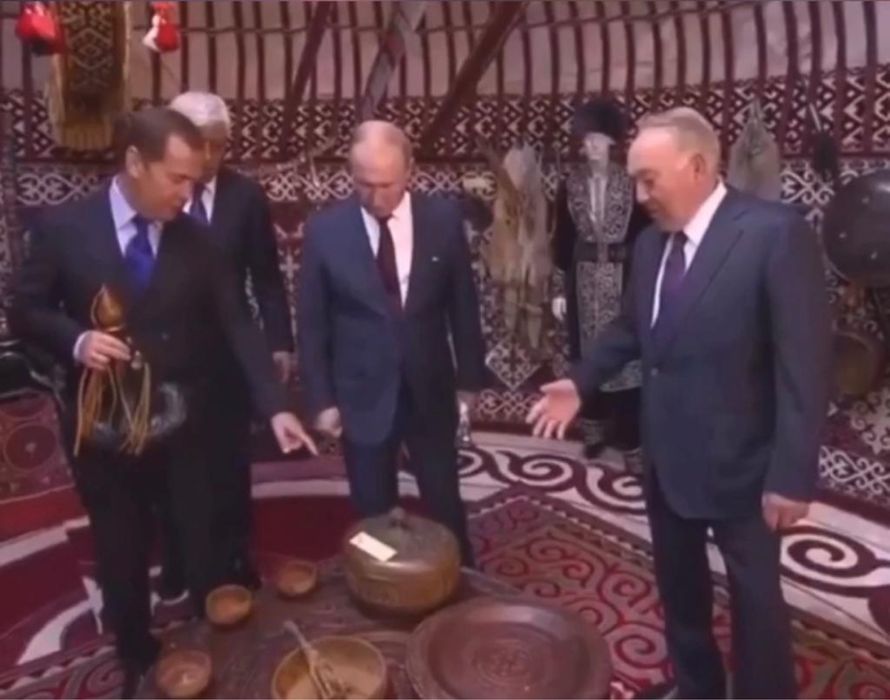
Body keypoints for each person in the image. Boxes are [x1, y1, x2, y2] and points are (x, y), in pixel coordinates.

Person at [9, 107, 316, 697]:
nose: (187, 194)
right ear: (134, 163)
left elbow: (238, 322)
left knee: (204, 546)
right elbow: (24, 309)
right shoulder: (65, 228)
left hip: (184, 428)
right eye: (176, 178)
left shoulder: (199, 241)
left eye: (195, 181)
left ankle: (215, 652)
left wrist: (276, 405)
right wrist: (76, 340)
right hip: (104, 429)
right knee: (121, 552)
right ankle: (135, 658)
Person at [527, 107, 831, 698]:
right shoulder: (650, 247)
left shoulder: (773, 234)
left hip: (745, 466)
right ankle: (697, 689)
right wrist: (582, 382)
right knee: (681, 595)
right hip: (665, 460)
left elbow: (805, 367)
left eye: (648, 180)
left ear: (696, 167)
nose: (640, 196)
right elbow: (630, 329)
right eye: (635, 180)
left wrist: (792, 476)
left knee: (756, 606)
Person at [298, 120, 486, 565]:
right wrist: (321, 400)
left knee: (443, 497)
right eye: (365, 184)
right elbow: (312, 323)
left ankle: (462, 574)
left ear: (409, 171)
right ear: (350, 173)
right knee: (371, 507)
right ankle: (380, 585)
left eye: (387, 184)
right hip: (361, 391)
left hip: (429, 386)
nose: (376, 197)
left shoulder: (442, 220)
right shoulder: (325, 231)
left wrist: (469, 380)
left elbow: (463, 304)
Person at [165, 91, 294, 592]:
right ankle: (177, 559)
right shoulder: (159, 192)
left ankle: (236, 556)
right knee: (171, 464)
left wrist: (279, 341)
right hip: (168, 357)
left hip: (230, 356)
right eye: (200, 144)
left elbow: (266, 277)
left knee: (231, 464)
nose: (209, 156)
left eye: (219, 145)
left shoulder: (245, 197)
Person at [552, 97, 650, 463]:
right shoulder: (571, 185)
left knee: (626, 358)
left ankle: (630, 439)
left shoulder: (631, 183)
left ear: (611, 143)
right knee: (587, 355)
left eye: (598, 140)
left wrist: (644, 281)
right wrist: (559, 289)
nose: (591, 147)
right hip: (582, 281)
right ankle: (593, 430)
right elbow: (563, 238)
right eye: (586, 140)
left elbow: (645, 234)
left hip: (624, 278)